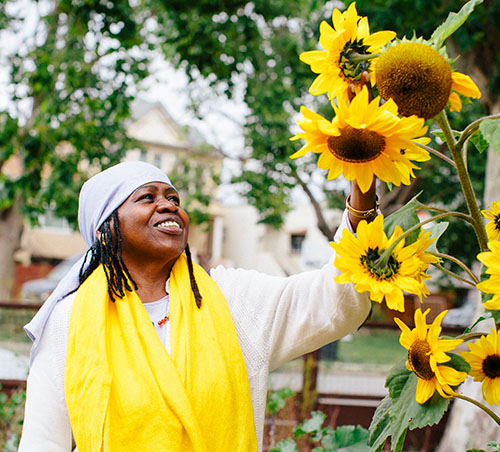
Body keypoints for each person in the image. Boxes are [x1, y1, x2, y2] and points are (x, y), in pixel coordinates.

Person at [18, 160, 378, 452]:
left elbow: (332, 300)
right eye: (147, 197)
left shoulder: (231, 299)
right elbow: (43, 442)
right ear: (107, 229)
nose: (168, 204)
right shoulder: (70, 322)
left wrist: (362, 194)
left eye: (173, 197)